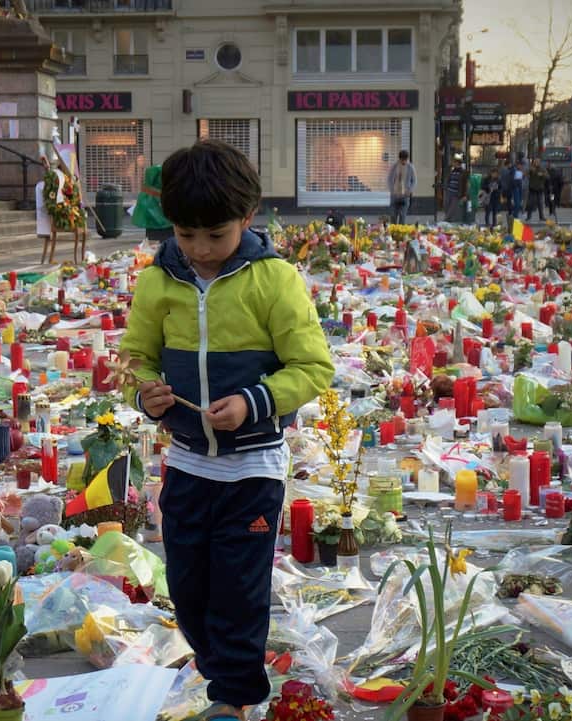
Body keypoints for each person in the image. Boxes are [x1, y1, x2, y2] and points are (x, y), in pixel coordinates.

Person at [119, 139, 333, 721]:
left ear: (248, 216)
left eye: (215, 235)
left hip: (253, 469)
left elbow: (314, 368)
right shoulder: (158, 281)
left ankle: (234, 698)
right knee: (188, 592)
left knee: (238, 590)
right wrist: (146, 393)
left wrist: (254, 402)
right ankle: (225, 675)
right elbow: (133, 359)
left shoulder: (275, 280)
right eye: (186, 236)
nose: (200, 250)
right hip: (188, 464)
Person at [386, 150, 415, 224]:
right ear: (399, 159)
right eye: (402, 160)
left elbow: (414, 181)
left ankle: (401, 233)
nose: (404, 162)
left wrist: (410, 190)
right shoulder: (394, 166)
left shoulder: (410, 167)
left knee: (402, 216)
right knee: (393, 216)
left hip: (405, 196)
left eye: (405, 160)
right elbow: (389, 179)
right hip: (395, 196)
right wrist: (392, 190)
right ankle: (393, 233)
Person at [444, 153, 465, 222]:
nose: (453, 164)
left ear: (458, 163)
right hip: (449, 191)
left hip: (456, 193)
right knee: (446, 206)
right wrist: (446, 187)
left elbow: (465, 184)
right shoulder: (452, 171)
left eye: (454, 162)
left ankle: (446, 220)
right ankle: (449, 221)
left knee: (452, 208)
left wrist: (464, 195)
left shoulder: (462, 172)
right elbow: (448, 179)